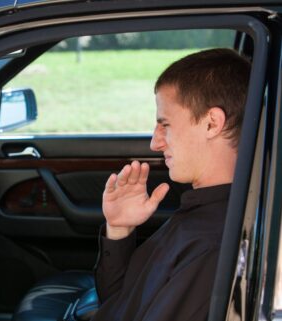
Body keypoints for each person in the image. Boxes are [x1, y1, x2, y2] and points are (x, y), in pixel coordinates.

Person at [92, 48, 251, 321]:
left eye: (165, 125)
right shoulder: (202, 208)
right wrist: (119, 229)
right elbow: (121, 300)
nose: (155, 143)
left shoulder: (211, 247)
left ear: (212, 123)